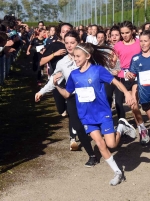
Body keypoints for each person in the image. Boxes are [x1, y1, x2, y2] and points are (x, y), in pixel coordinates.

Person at [52, 43, 137, 186]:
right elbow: (67, 94)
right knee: (100, 143)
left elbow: (116, 83)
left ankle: (121, 127)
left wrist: (128, 93)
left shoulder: (98, 70)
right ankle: (117, 172)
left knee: (111, 144)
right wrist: (56, 85)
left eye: (78, 56)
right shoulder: (74, 75)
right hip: (86, 116)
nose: (75, 59)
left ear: (88, 56)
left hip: (102, 113)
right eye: (74, 56)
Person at [35, 31, 99, 166]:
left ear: (79, 42)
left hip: (90, 96)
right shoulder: (63, 63)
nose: (69, 46)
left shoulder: (88, 57)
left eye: (72, 43)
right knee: (77, 126)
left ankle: (103, 144)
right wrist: (41, 92)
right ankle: (91, 155)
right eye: (67, 43)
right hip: (73, 97)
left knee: (93, 125)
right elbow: (54, 79)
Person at [114, 21, 149, 144]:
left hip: (138, 76)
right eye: (122, 33)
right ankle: (141, 127)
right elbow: (114, 67)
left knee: (134, 103)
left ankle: (143, 130)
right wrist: (122, 72)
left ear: (133, 31)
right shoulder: (117, 46)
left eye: (127, 32)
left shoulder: (140, 43)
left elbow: (147, 57)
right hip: (125, 78)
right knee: (132, 106)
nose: (124, 35)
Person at [39, 23, 71, 117]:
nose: (65, 33)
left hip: (73, 79)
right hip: (58, 79)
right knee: (62, 110)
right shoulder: (54, 45)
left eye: (68, 31)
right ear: (60, 33)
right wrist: (55, 54)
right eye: (63, 31)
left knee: (73, 108)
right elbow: (41, 62)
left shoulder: (77, 45)